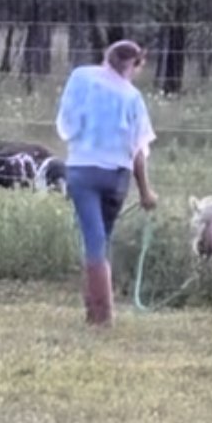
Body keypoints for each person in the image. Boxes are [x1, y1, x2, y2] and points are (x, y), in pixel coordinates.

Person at [56, 39, 158, 327]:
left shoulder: (81, 77)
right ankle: (97, 308)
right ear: (135, 64)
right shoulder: (132, 98)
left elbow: (66, 124)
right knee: (102, 238)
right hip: (117, 177)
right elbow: (138, 152)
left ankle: (99, 312)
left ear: (107, 57)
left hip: (82, 172)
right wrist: (146, 192)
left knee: (93, 239)